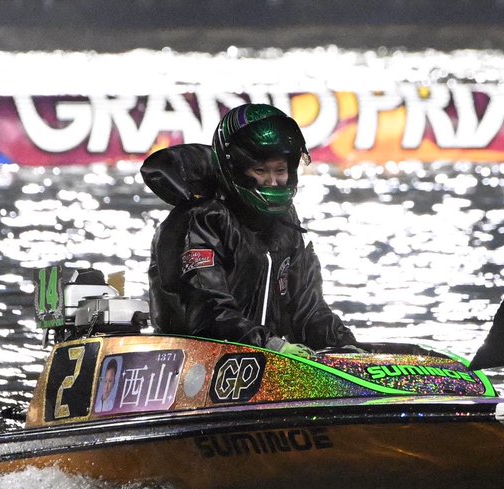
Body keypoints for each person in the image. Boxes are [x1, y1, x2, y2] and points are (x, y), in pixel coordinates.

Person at [143, 103, 358, 357]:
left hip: (264, 364)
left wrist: (346, 347)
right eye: (261, 171)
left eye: (280, 171)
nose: (273, 181)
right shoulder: (200, 221)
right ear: (237, 170)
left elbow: (309, 310)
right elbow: (208, 311)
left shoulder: (287, 225)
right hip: (194, 367)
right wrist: (270, 345)